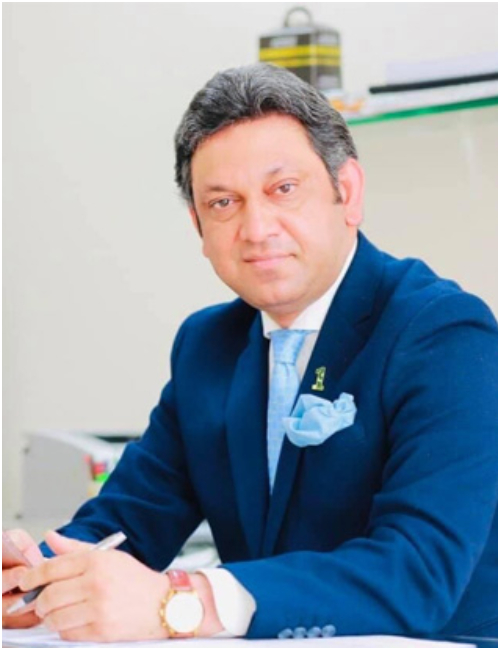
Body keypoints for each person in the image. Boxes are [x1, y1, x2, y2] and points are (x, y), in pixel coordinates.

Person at [2, 63, 497, 644]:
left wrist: (183, 602)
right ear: (198, 226)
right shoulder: (206, 346)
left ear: (348, 192)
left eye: (283, 190)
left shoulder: (444, 333)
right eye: (223, 203)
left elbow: (417, 571)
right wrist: (37, 578)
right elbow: (128, 521)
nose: (257, 228)